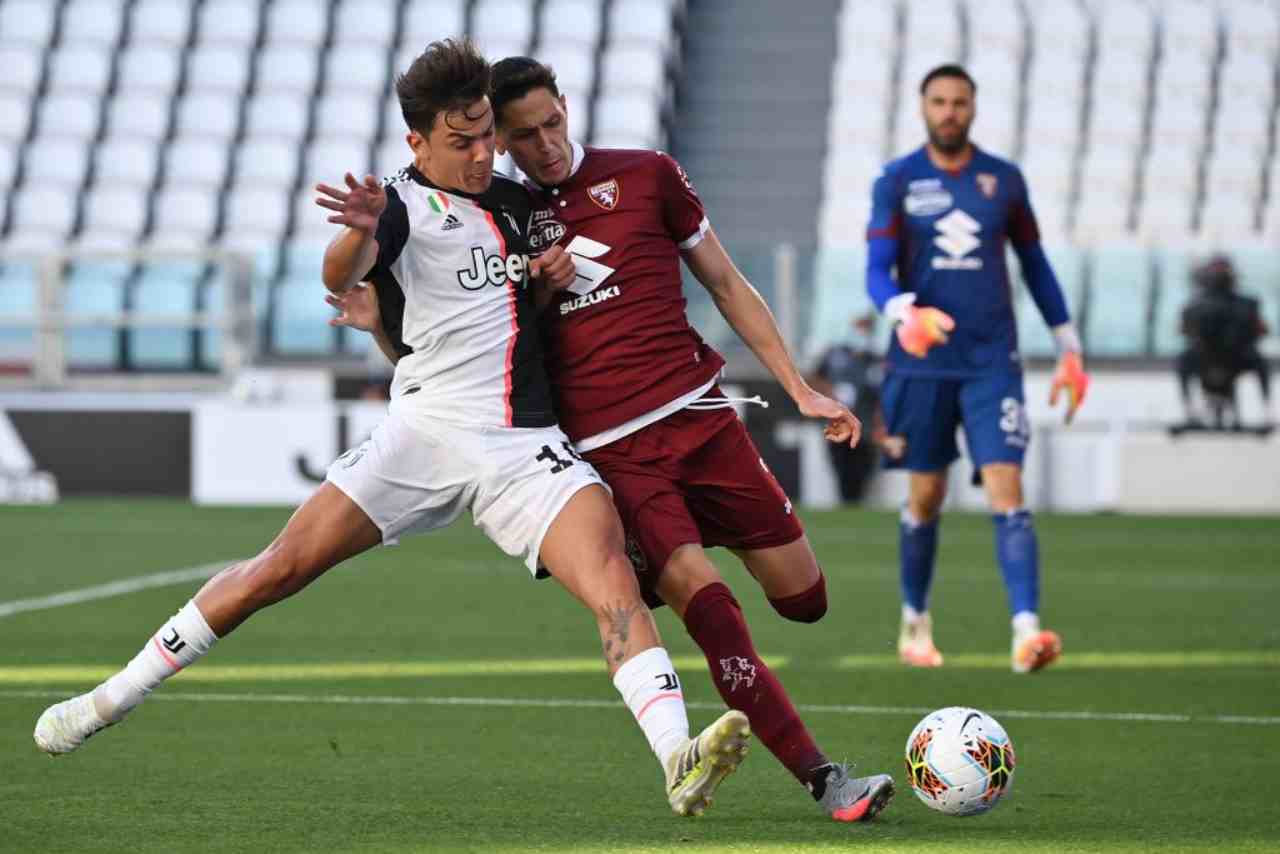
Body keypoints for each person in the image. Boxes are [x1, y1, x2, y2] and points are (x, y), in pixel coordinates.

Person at [32, 40, 750, 820]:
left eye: (486, 137)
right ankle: (113, 696)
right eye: (461, 141)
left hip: (521, 444)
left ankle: (678, 757)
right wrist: (358, 237)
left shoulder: (517, 208)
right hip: (424, 430)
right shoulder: (399, 207)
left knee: (611, 578)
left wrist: (543, 289)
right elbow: (341, 271)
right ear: (417, 142)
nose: (482, 155)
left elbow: (503, 321)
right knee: (279, 568)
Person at [335, 54, 895, 824]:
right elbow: (442, 349)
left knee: (805, 601)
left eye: (552, 124)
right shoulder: (501, 221)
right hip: (613, 454)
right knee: (710, 603)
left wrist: (796, 386)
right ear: (498, 139)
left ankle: (697, 584)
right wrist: (400, 324)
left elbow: (727, 284)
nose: (544, 146)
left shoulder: (647, 175)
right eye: (521, 137)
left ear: (568, 106)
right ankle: (826, 778)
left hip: (703, 421)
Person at [864, 64, 1091, 673]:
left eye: (959, 102)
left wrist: (1069, 345)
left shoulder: (1004, 181)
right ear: (923, 107)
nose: (949, 112)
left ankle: (1026, 633)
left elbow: (1036, 266)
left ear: (973, 108)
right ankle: (915, 622)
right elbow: (876, 270)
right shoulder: (897, 181)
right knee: (927, 494)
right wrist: (902, 312)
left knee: (1006, 487)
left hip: (993, 362)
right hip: (920, 365)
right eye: (938, 101)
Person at [1176, 254, 1271, 429]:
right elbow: (1262, 331)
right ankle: (1190, 409)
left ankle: (1266, 409)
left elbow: (1183, 331)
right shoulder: (1246, 303)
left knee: (1184, 359)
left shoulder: (1195, 305)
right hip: (1215, 358)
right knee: (1184, 359)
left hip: (1234, 358)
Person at [805, 313, 885, 503]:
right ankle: (846, 500)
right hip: (837, 423)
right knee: (841, 466)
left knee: (863, 469)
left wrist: (880, 422)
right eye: (860, 326)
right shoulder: (834, 354)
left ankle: (856, 501)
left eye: (867, 327)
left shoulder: (876, 359)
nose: (862, 331)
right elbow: (814, 378)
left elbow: (883, 394)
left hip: (865, 425)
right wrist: (829, 393)